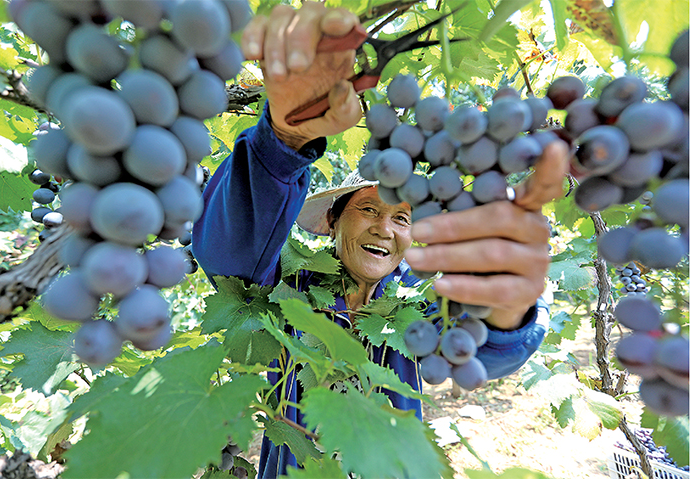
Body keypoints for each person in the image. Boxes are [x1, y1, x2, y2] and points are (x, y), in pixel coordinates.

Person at [191, 3, 570, 478]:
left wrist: (505, 313)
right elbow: (228, 253)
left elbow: (479, 353)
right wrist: (281, 141)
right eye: (369, 210)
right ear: (333, 220)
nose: (385, 228)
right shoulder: (290, 286)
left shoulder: (419, 301)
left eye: (401, 218)